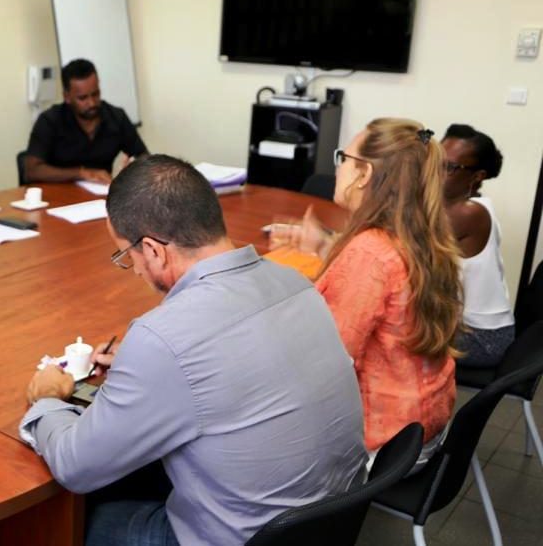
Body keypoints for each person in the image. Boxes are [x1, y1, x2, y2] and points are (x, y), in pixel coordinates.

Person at [20, 155, 367, 546]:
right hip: (329, 526)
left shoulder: (162, 338)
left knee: (79, 518)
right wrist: (144, 372)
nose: (134, 270)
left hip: (244, 539)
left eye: (126, 256)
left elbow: (74, 467)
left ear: (153, 250)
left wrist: (48, 400)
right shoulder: (296, 285)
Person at [285, 119, 463, 467]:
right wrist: (323, 247)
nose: (338, 169)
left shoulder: (368, 252)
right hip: (422, 429)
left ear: (364, 173)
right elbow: (389, 280)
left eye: (343, 158)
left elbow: (327, 362)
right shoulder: (422, 237)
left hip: (383, 450)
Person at [441, 124, 514, 368]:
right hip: (461, 324)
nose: (435, 172)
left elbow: (405, 247)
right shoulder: (462, 206)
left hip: (481, 337)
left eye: (449, 167)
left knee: (390, 336)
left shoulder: (469, 212)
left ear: (477, 176)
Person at [23, 59, 148, 184]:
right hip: (58, 192)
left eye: (95, 94)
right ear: (67, 97)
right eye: (83, 98)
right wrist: (80, 173)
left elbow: (144, 157)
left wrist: (133, 168)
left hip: (101, 192)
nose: (92, 103)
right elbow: (32, 171)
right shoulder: (49, 121)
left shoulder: (116, 117)